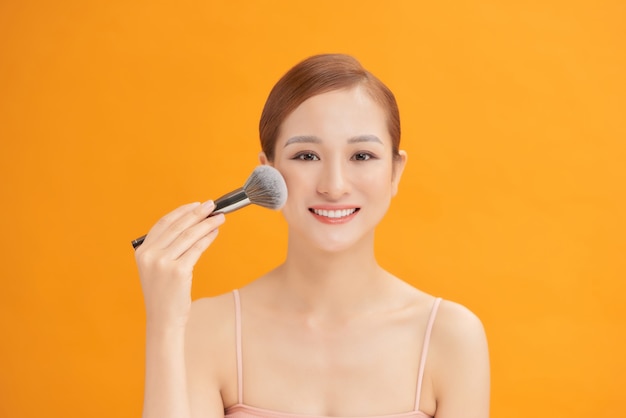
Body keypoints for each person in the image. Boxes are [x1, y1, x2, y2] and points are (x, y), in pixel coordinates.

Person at [135, 54, 490, 418]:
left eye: (362, 156)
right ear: (268, 173)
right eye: (306, 155)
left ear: (395, 171)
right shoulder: (208, 328)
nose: (334, 187)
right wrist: (164, 324)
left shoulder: (450, 337)